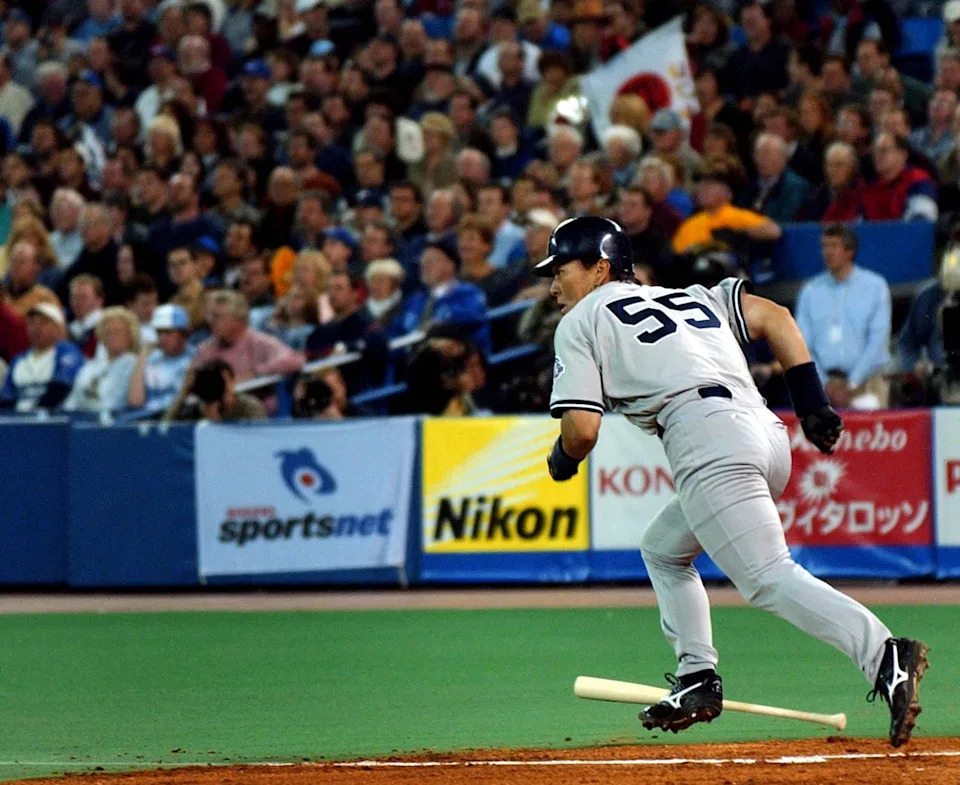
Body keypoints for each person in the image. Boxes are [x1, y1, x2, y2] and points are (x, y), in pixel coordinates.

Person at [534, 215, 927, 747]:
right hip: (767, 434)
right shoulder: (691, 296)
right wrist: (810, 403)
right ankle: (697, 677)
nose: (554, 284)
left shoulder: (580, 322)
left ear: (600, 268)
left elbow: (581, 430)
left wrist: (562, 458)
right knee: (663, 549)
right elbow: (777, 317)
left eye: (561, 269)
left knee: (767, 577)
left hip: (708, 439)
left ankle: (885, 655)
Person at [795, 223, 892, 409]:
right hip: (821, 386)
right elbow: (803, 343)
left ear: (849, 252)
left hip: (867, 384)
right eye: (824, 246)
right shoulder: (810, 291)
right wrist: (823, 384)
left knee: (872, 435)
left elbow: (878, 340)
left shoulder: (875, 287)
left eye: (833, 246)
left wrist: (852, 384)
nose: (827, 252)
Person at [0, 302, 82, 412]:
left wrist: (35, 413)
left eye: (43, 323)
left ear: (58, 328)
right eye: (32, 323)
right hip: (19, 420)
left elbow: (61, 388)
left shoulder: (67, 353)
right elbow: (7, 396)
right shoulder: (18, 359)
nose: (36, 328)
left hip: (53, 420)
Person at [62, 305, 139, 414]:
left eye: (117, 332)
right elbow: (72, 401)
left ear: (130, 335)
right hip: (80, 420)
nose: (112, 337)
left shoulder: (133, 364)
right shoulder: (90, 366)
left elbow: (112, 402)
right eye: (107, 332)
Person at [127, 303, 194, 413]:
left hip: (177, 419)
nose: (162, 338)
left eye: (168, 332)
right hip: (146, 418)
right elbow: (135, 401)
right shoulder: (151, 359)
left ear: (184, 334)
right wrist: (143, 355)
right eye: (159, 332)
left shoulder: (196, 359)